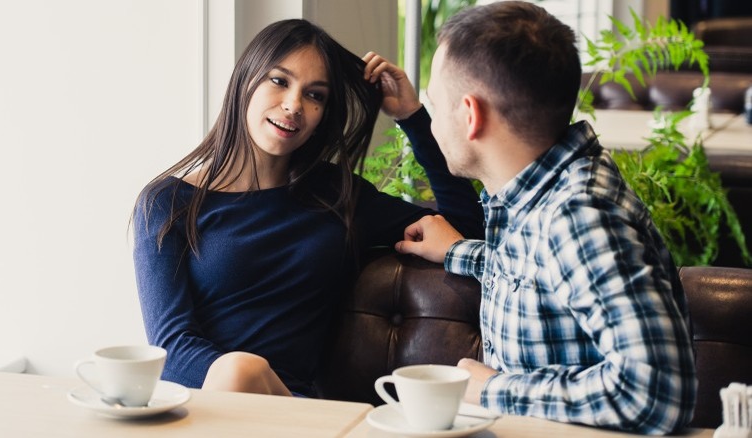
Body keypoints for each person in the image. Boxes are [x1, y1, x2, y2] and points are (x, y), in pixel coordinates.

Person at [132, 19, 482, 398]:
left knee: (243, 370)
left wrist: (411, 117)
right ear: (245, 81)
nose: (294, 105)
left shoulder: (337, 196)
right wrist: (237, 377)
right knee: (240, 370)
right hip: (202, 404)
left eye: (315, 95)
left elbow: (464, 224)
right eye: (279, 81)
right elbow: (171, 347)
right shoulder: (166, 202)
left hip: (296, 411)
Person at [392, 2, 697, 435]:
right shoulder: (539, 196)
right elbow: (540, 272)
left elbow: (658, 391)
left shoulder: (577, 215)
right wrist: (462, 252)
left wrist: (495, 389)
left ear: (471, 115)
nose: (434, 121)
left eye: (436, 106)